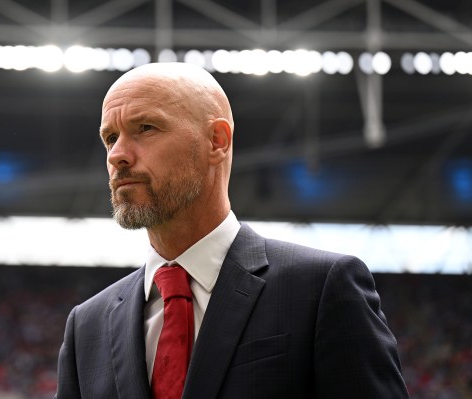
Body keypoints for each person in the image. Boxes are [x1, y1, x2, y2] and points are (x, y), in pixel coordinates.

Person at [55, 62, 408, 399]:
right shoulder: (87, 326)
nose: (117, 155)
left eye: (145, 128)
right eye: (110, 137)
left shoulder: (321, 289)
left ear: (216, 141)